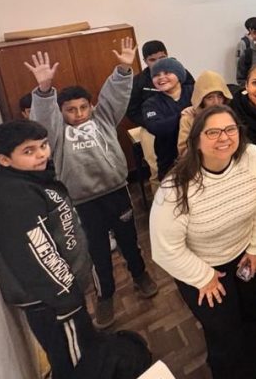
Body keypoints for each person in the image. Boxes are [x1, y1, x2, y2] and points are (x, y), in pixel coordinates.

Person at [24, 42, 157, 328]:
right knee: (97, 251)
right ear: (62, 112)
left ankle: (140, 274)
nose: (79, 113)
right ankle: (105, 294)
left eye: (84, 107)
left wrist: (123, 69)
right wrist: (45, 91)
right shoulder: (56, 134)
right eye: (71, 109)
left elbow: (115, 96)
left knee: (129, 242)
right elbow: (44, 120)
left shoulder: (103, 118)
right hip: (82, 202)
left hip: (116, 193)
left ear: (91, 106)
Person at [150, 105, 256, 379]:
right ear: (196, 139)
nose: (224, 138)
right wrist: (203, 276)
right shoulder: (176, 188)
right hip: (200, 266)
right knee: (224, 332)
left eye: (230, 130)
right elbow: (164, 250)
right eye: (213, 132)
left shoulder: (254, 158)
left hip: (243, 255)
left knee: (251, 318)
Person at [0, 120, 96, 378]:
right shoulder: (11, 197)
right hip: (54, 303)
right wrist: (68, 299)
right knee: (77, 367)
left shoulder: (31, 179)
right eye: (29, 151)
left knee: (83, 353)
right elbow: (39, 252)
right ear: (4, 159)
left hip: (62, 293)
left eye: (43, 145)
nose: (41, 154)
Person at [142, 57, 196, 179]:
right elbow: (156, 127)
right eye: (156, 75)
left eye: (167, 73)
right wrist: (181, 115)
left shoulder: (194, 91)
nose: (161, 77)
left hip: (199, 153)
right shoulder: (151, 103)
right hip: (169, 159)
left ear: (179, 74)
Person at [127, 39, 195, 125]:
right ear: (145, 61)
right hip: (156, 125)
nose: (158, 63)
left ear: (167, 56)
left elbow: (196, 95)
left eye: (162, 58)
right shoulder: (138, 82)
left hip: (187, 121)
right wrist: (150, 122)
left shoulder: (180, 72)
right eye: (152, 60)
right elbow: (133, 111)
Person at [178, 70, 234, 156]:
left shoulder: (229, 116)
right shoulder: (189, 118)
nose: (216, 102)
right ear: (201, 100)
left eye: (220, 96)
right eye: (210, 97)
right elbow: (184, 152)